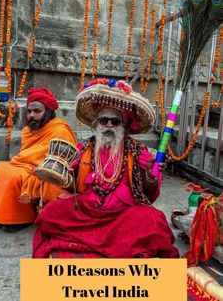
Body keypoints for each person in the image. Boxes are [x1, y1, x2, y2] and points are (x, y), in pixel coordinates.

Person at [33, 78, 179, 258]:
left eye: (115, 121)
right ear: (96, 124)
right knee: (49, 214)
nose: (109, 125)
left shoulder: (137, 150)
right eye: (103, 120)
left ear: (123, 126)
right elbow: (70, 182)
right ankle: (114, 245)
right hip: (87, 211)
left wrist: (149, 175)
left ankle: (93, 242)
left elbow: (149, 194)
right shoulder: (85, 148)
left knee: (154, 222)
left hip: (122, 215)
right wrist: (63, 178)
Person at [0, 87, 77, 232]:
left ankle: (18, 220)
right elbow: (26, 156)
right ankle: (4, 216)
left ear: (47, 112)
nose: (31, 115)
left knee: (13, 176)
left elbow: (63, 165)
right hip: (26, 167)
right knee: (0, 169)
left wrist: (36, 170)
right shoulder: (28, 131)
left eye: (37, 111)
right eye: (29, 111)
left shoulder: (60, 130)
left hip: (46, 174)